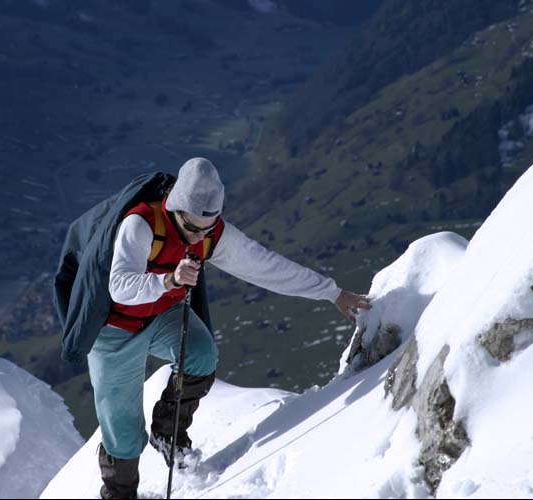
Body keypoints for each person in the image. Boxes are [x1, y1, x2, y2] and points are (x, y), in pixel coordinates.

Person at [91, 157, 370, 499]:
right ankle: (119, 495)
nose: (198, 237)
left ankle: (169, 434)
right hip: (115, 327)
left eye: (206, 229)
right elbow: (118, 286)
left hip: (161, 314)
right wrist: (168, 280)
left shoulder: (212, 234)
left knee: (201, 355)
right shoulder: (142, 224)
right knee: (121, 430)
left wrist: (333, 293)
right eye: (192, 228)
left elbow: (265, 266)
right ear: (175, 209)